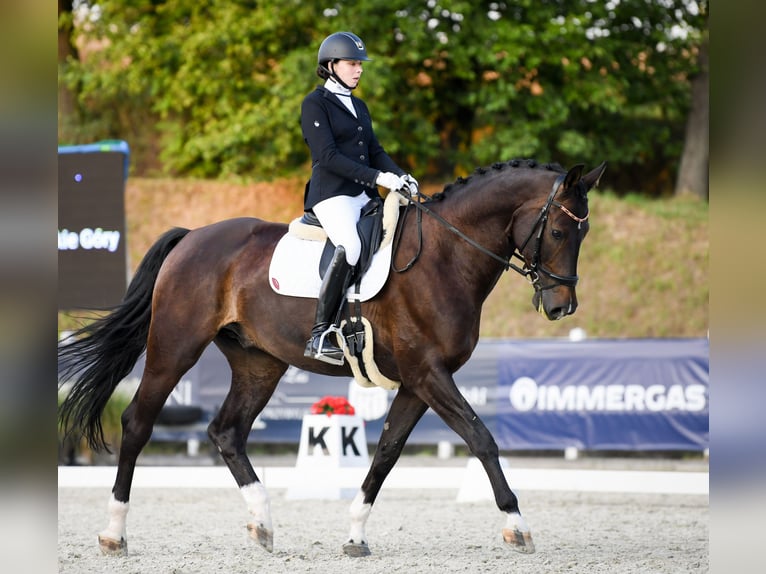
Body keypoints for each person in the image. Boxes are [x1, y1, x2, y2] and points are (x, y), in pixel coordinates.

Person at [301, 31, 418, 365]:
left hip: (363, 194)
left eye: (359, 64)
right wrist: (378, 178)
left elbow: (375, 151)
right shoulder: (315, 103)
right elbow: (328, 156)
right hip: (332, 196)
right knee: (350, 246)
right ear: (331, 65)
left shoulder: (359, 105)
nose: (359, 70)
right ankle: (320, 334)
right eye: (352, 63)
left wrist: (400, 175)